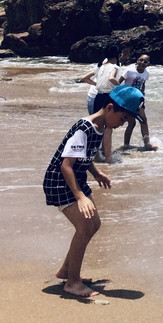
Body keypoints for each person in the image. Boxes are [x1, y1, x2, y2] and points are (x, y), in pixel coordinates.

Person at [43, 85, 145, 299]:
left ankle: (66, 271)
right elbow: (66, 165)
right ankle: (72, 282)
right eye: (122, 119)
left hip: (76, 179)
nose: (122, 124)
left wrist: (97, 173)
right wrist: (80, 196)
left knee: (94, 224)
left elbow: (85, 156)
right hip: (60, 181)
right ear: (110, 108)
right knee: (84, 226)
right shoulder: (85, 128)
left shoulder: (101, 127)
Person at [77, 43, 123, 163]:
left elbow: (84, 78)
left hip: (98, 97)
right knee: (108, 128)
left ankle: (96, 155)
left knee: (98, 126)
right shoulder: (115, 67)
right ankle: (108, 158)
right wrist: (121, 88)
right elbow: (111, 78)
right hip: (108, 97)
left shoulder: (101, 66)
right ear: (118, 55)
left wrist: (96, 84)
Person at [121, 54, 157, 151]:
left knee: (143, 120)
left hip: (138, 99)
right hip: (128, 100)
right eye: (141, 60)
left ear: (148, 64)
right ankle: (126, 145)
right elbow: (119, 82)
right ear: (137, 61)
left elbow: (143, 84)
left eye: (145, 62)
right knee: (132, 123)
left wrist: (143, 95)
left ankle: (147, 144)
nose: (142, 63)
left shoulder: (146, 73)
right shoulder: (129, 70)